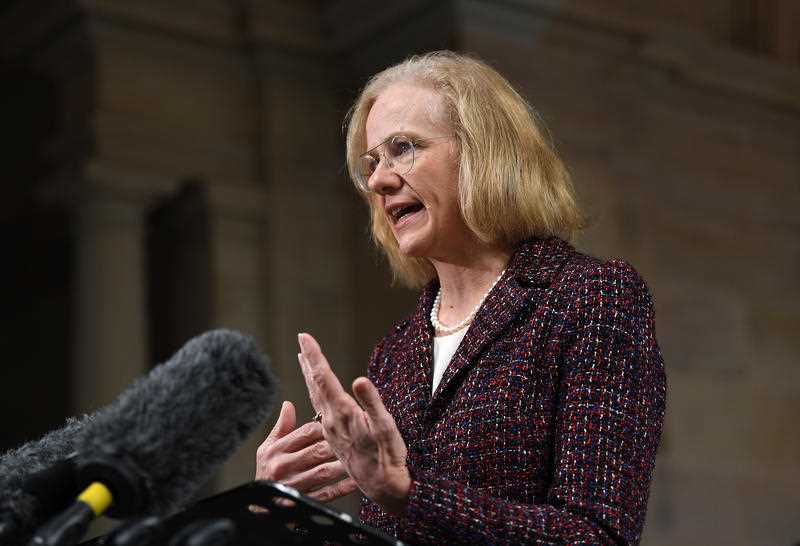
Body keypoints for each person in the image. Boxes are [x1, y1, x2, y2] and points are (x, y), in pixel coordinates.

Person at [255, 51, 666, 545]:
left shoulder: (588, 297)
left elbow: (598, 536)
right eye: (372, 163)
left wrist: (410, 493)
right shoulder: (397, 351)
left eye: (402, 148)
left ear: (482, 153)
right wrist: (280, 509)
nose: (381, 180)